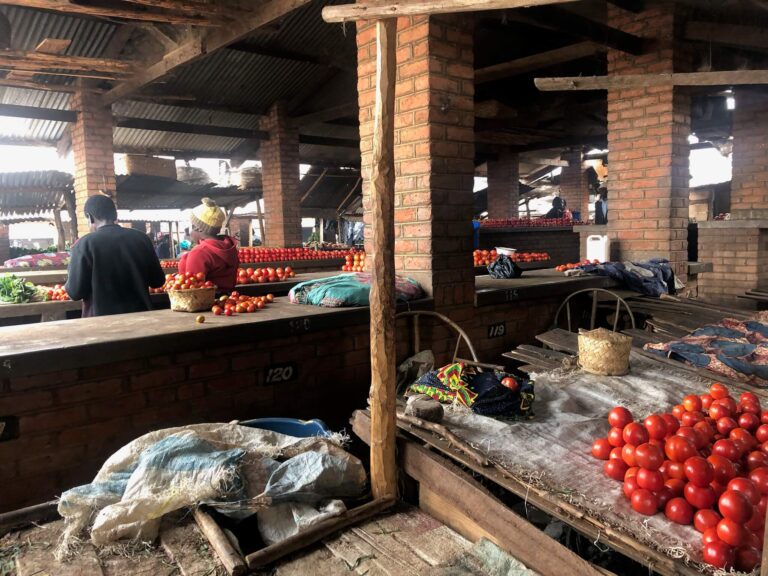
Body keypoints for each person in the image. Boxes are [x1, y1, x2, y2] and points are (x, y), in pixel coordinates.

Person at [65, 195, 165, 317]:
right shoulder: (142, 239)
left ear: (90, 217)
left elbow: (75, 293)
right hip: (141, 318)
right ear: (115, 215)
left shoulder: (84, 245)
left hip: (101, 325)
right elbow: (158, 281)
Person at [178, 198, 239, 292]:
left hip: (206, 303)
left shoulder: (200, 252)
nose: (188, 232)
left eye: (190, 226)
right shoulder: (229, 246)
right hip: (229, 301)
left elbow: (191, 288)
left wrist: (185, 259)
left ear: (199, 228)